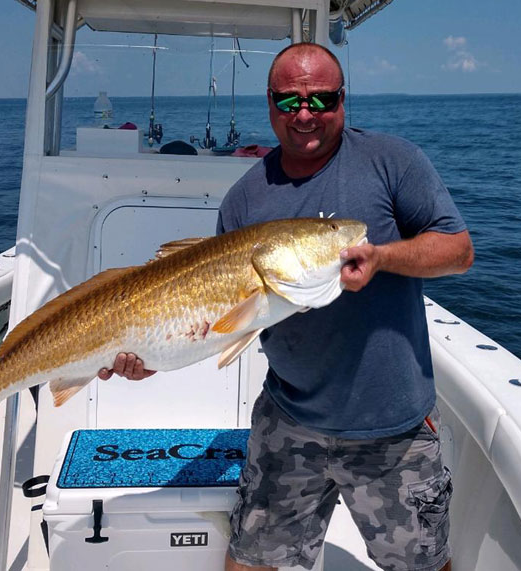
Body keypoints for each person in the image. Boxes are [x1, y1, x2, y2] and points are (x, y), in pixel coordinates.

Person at [99, 42, 473, 571]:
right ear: (270, 102)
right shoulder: (245, 200)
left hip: (392, 427)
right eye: (289, 101)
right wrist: (147, 357)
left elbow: (458, 251)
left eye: (321, 100)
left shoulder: (394, 162)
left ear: (343, 100)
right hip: (289, 417)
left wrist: (383, 257)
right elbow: (221, 321)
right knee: (251, 563)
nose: (305, 114)